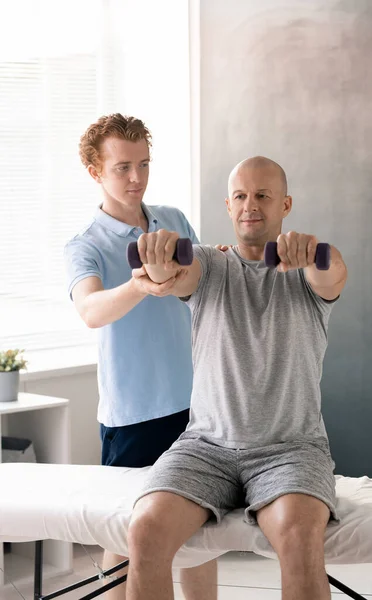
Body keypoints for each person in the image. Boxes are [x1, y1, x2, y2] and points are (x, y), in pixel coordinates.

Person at [125, 156, 348, 600]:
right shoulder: (208, 264)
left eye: (263, 195)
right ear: (228, 206)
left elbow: (334, 272)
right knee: (146, 530)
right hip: (205, 447)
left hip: (291, 449)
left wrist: (316, 252)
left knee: (299, 539)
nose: (251, 205)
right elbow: (175, 274)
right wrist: (159, 260)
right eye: (241, 196)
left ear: (285, 203)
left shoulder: (307, 273)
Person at [64, 113, 218, 600]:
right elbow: (90, 310)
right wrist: (137, 286)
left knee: (203, 532)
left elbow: (207, 284)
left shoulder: (173, 221)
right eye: (122, 167)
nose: (137, 178)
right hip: (133, 413)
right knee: (127, 534)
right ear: (95, 171)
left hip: (197, 405)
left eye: (144, 164)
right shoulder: (84, 246)